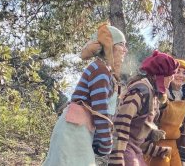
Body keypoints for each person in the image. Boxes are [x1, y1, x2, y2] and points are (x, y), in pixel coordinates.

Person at [43, 22, 128, 165]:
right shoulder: (100, 70)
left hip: (78, 128)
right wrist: (106, 143)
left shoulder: (103, 70)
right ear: (110, 46)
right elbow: (100, 110)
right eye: (122, 45)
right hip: (74, 130)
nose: (125, 50)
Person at [109, 50, 180, 166]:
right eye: (169, 76)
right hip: (124, 150)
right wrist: (116, 158)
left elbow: (138, 139)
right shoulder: (141, 91)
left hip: (135, 151)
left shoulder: (152, 94)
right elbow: (121, 123)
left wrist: (158, 151)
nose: (171, 80)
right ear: (160, 75)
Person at [145, 59, 185, 166]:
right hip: (158, 144)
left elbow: (181, 125)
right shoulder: (160, 93)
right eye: (177, 71)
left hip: (174, 145)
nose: (181, 75)